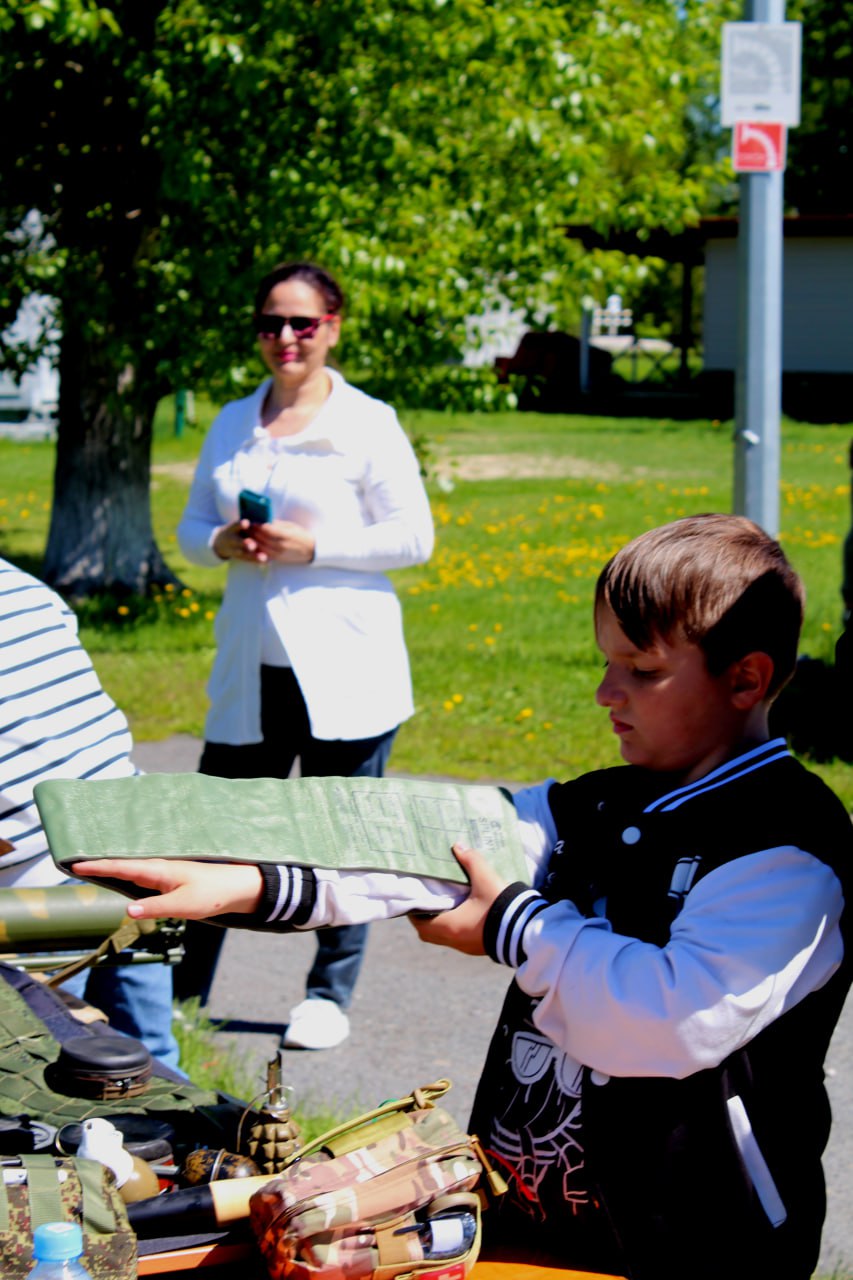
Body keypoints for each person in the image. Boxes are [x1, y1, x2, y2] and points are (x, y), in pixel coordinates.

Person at [72, 514, 852, 1280]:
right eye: (605, 661)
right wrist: (250, 881)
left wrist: (514, 924)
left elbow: (671, 1019)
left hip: (696, 1250)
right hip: (528, 1225)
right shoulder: (600, 803)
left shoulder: (786, 846)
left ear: (745, 678)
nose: (604, 691)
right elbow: (429, 849)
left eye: (641, 671)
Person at [173, 260, 434, 1049]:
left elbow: (413, 537)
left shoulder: (366, 422)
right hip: (251, 667)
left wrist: (313, 546)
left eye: (302, 324)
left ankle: (328, 993)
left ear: (333, 327)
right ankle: (184, 991)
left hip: (346, 671)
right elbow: (189, 528)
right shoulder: (230, 421)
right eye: (270, 323)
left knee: (339, 833)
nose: (284, 338)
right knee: (219, 830)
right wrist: (221, 541)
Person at [0, 556, 181, 1072]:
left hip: (39, 887)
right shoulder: (19, 583)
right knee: (149, 1055)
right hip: (136, 834)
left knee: (50, 1062)